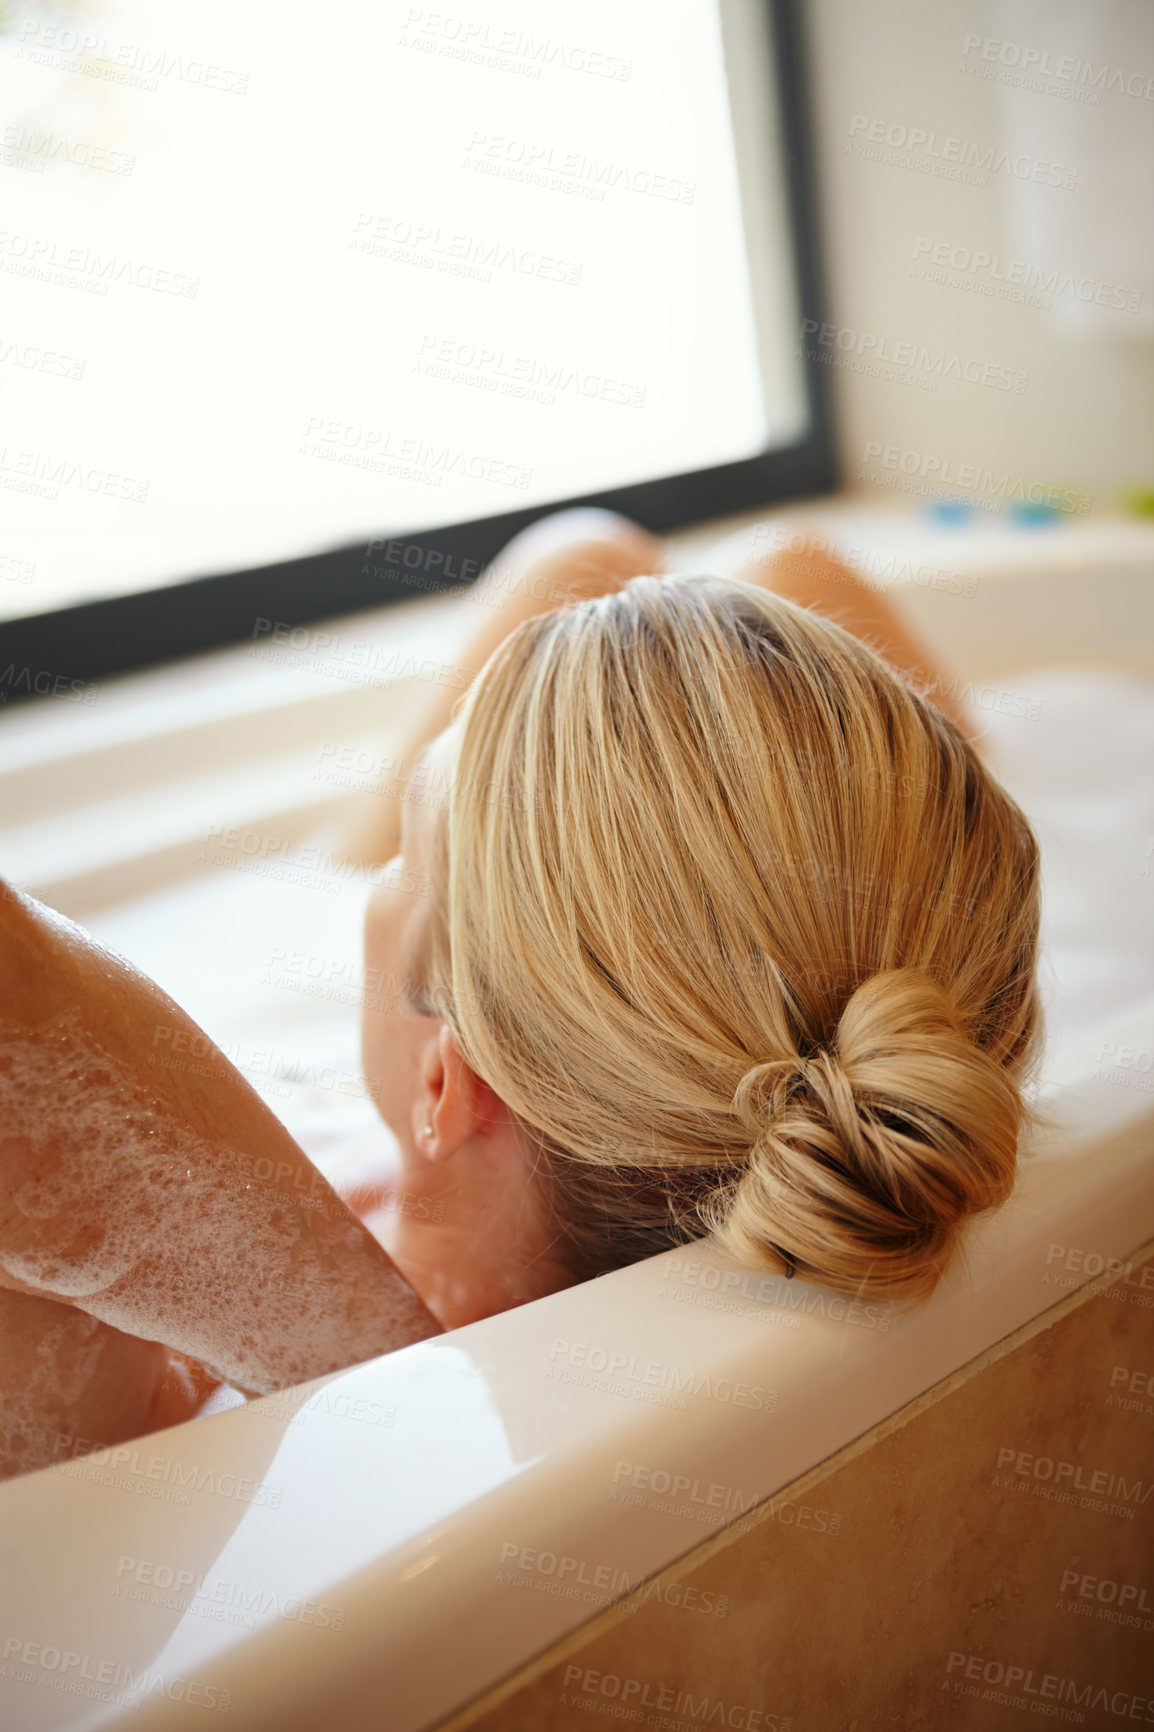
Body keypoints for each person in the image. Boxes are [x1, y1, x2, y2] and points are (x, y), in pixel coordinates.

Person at [0, 510, 1043, 1475]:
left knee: (631, 561)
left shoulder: (161, 1363)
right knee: (636, 558)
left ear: (448, 1085)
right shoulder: (847, 1095)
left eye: (402, 854)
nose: (386, 873)